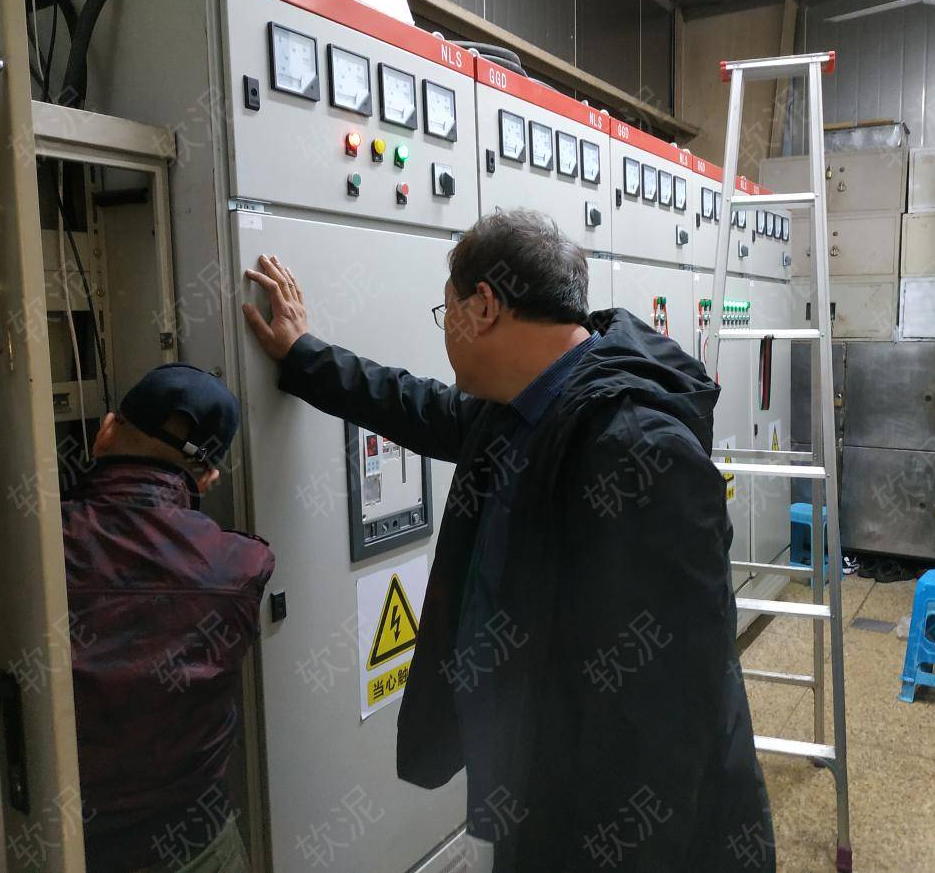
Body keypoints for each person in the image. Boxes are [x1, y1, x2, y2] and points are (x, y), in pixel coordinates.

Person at [243, 209, 773, 871]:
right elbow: (418, 406)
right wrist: (303, 355)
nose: (447, 333)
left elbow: (668, 709)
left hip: (616, 827)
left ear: (484, 307)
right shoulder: (529, 408)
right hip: (543, 783)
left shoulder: (636, 452)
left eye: (446, 313)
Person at [62, 364, 274, 872]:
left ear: (106, 431)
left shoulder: (32, 544)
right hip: (193, 846)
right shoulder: (243, 563)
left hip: (67, 845)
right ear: (207, 476)